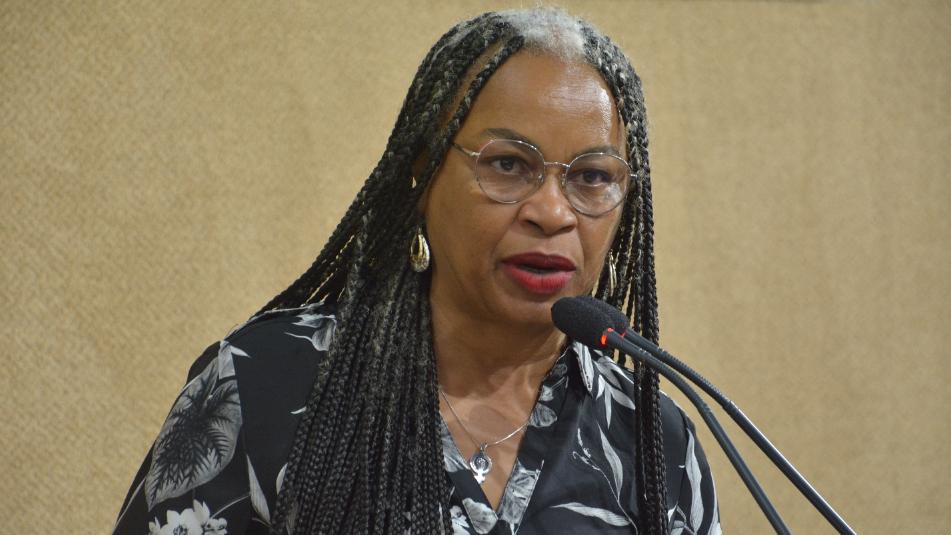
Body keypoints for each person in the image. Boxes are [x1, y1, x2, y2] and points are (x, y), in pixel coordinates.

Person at [113, 8, 720, 535]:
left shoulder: (655, 443)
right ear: (423, 175)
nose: (552, 212)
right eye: (508, 164)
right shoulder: (262, 385)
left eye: (591, 177)